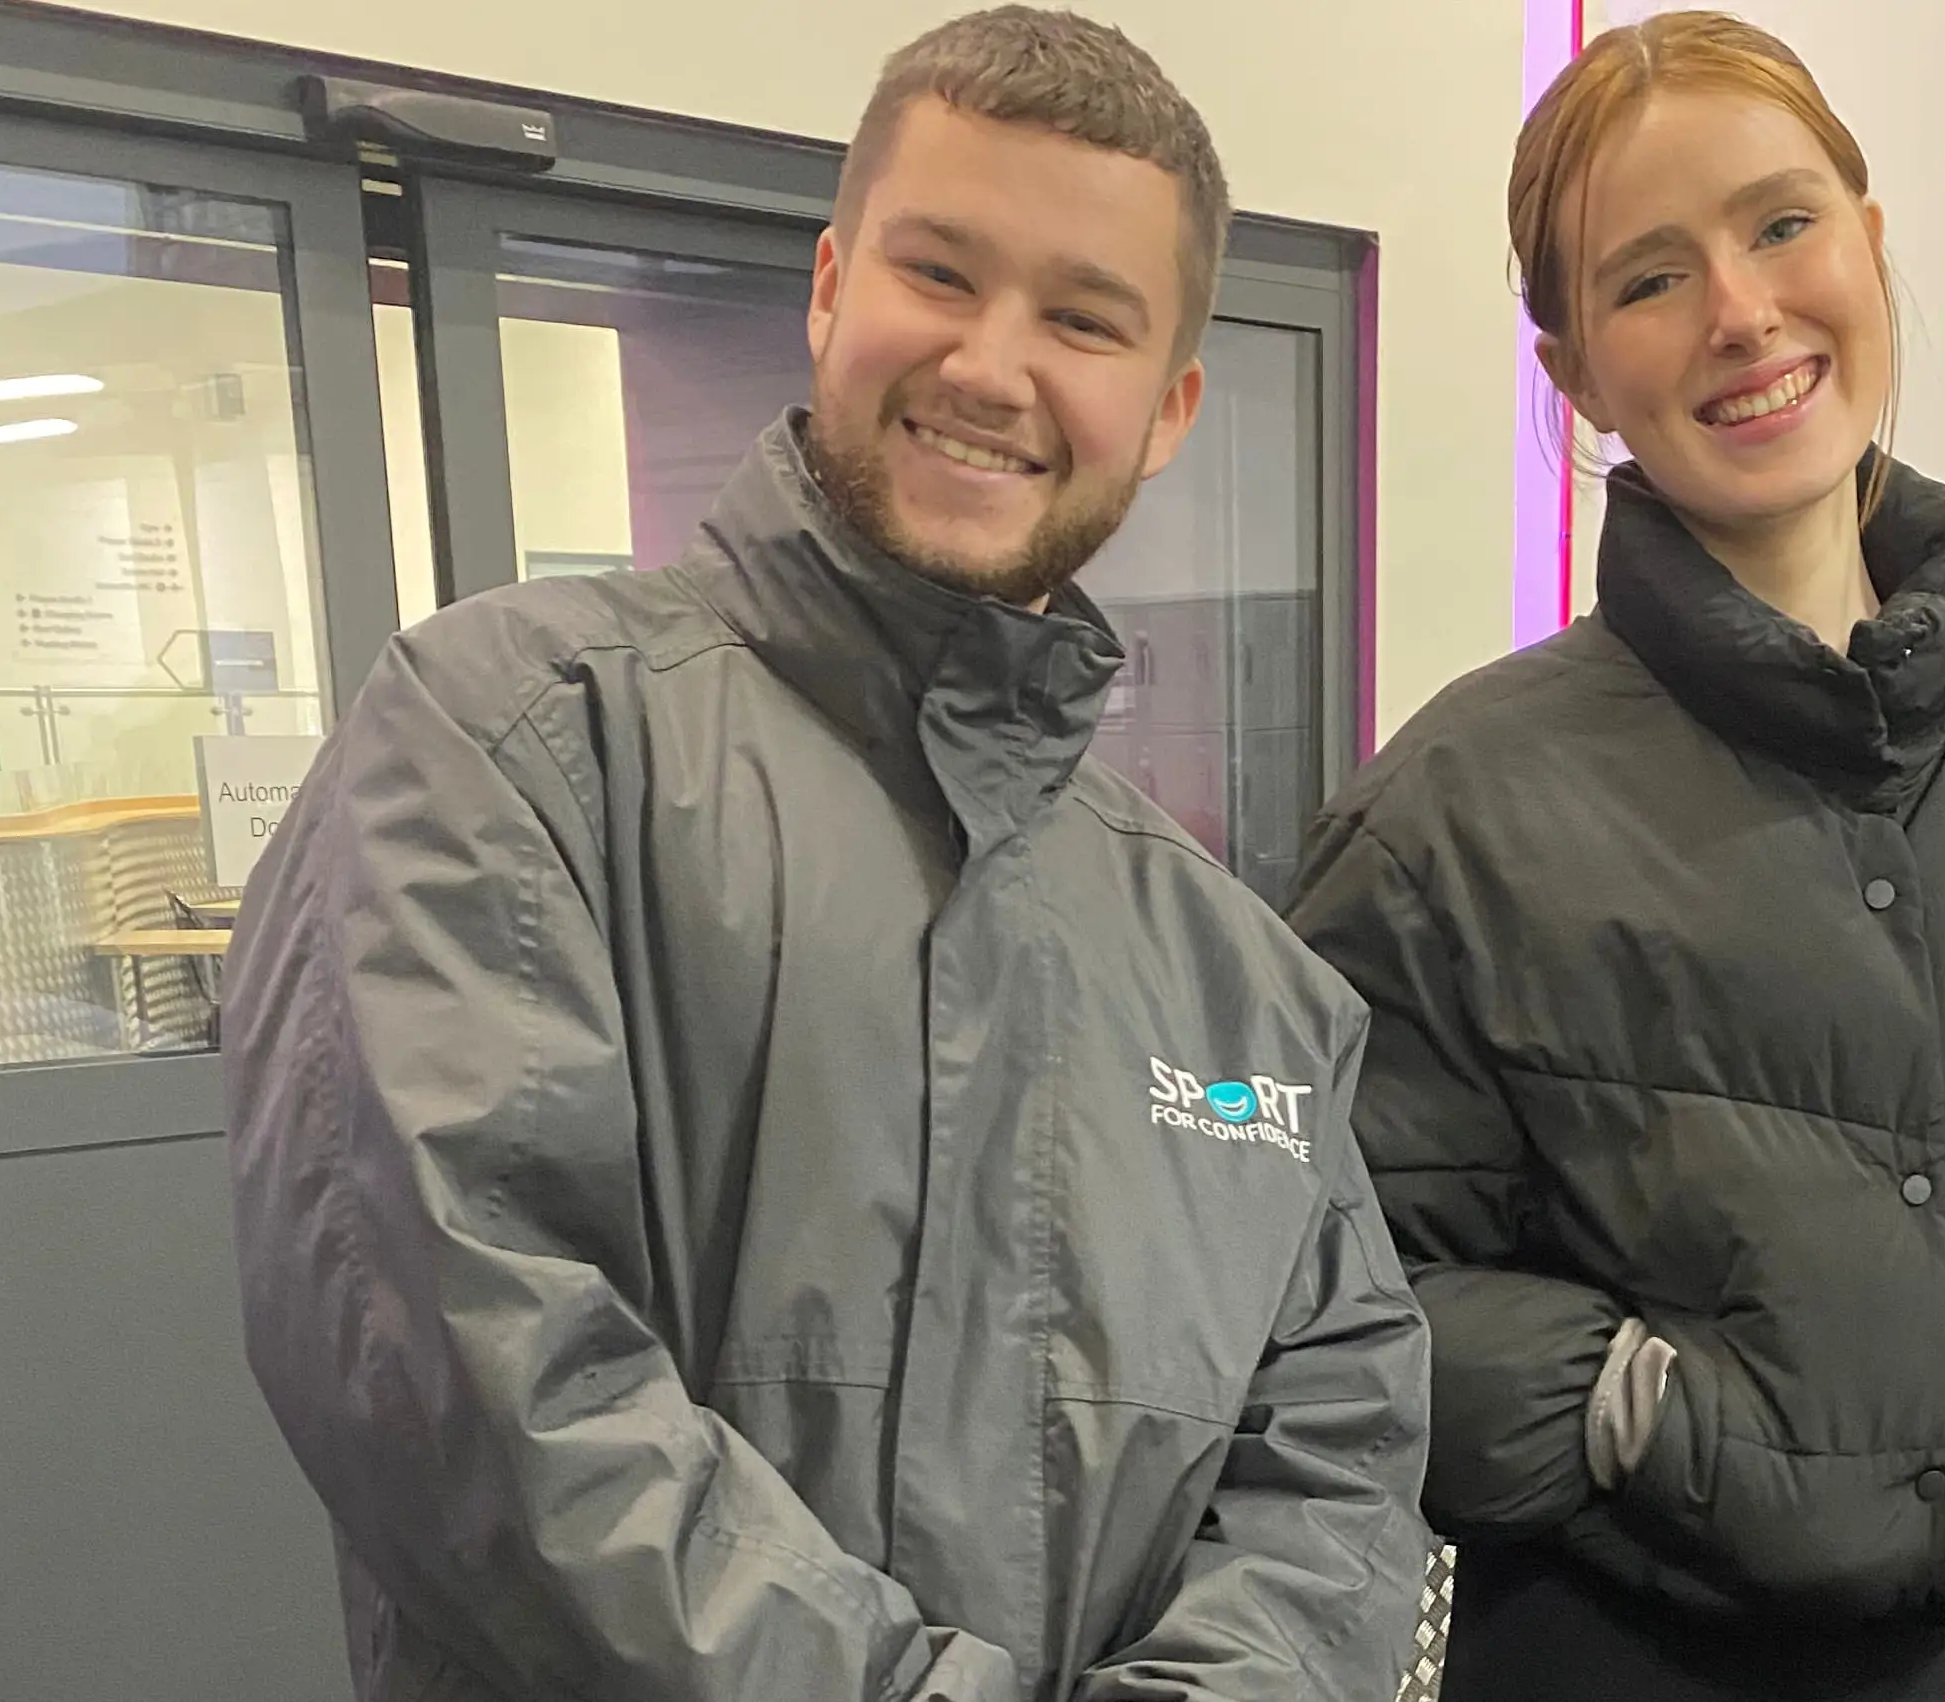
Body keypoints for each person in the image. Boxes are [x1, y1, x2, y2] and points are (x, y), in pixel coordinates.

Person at [219, 11, 1431, 1702]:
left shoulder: (1241, 981)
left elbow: (1337, 1461)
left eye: (1082, 318)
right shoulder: (512, 743)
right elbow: (469, 1377)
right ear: (830, 288)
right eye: (940, 273)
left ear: (1166, 409)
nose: (992, 365)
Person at [1281, 13, 1945, 1701]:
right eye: (1650, 277)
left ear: (1866, 240)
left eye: (1781, 224)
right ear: (1575, 370)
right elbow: (1319, 1276)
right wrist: (1629, 1407)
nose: (1739, 310)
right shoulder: (1455, 813)